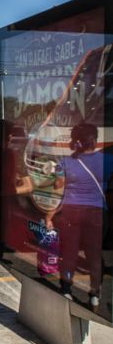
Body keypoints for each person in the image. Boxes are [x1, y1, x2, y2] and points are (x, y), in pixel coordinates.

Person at [45, 123, 112, 308]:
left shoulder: (65, 162)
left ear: (76, 141)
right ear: (95, 140)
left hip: (71, 212)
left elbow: (58, 191)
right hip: (97, 212)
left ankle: (66, 288)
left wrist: (49, 216)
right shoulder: (107, 160)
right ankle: (95, 293)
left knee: (69, 252)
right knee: (94, 254)